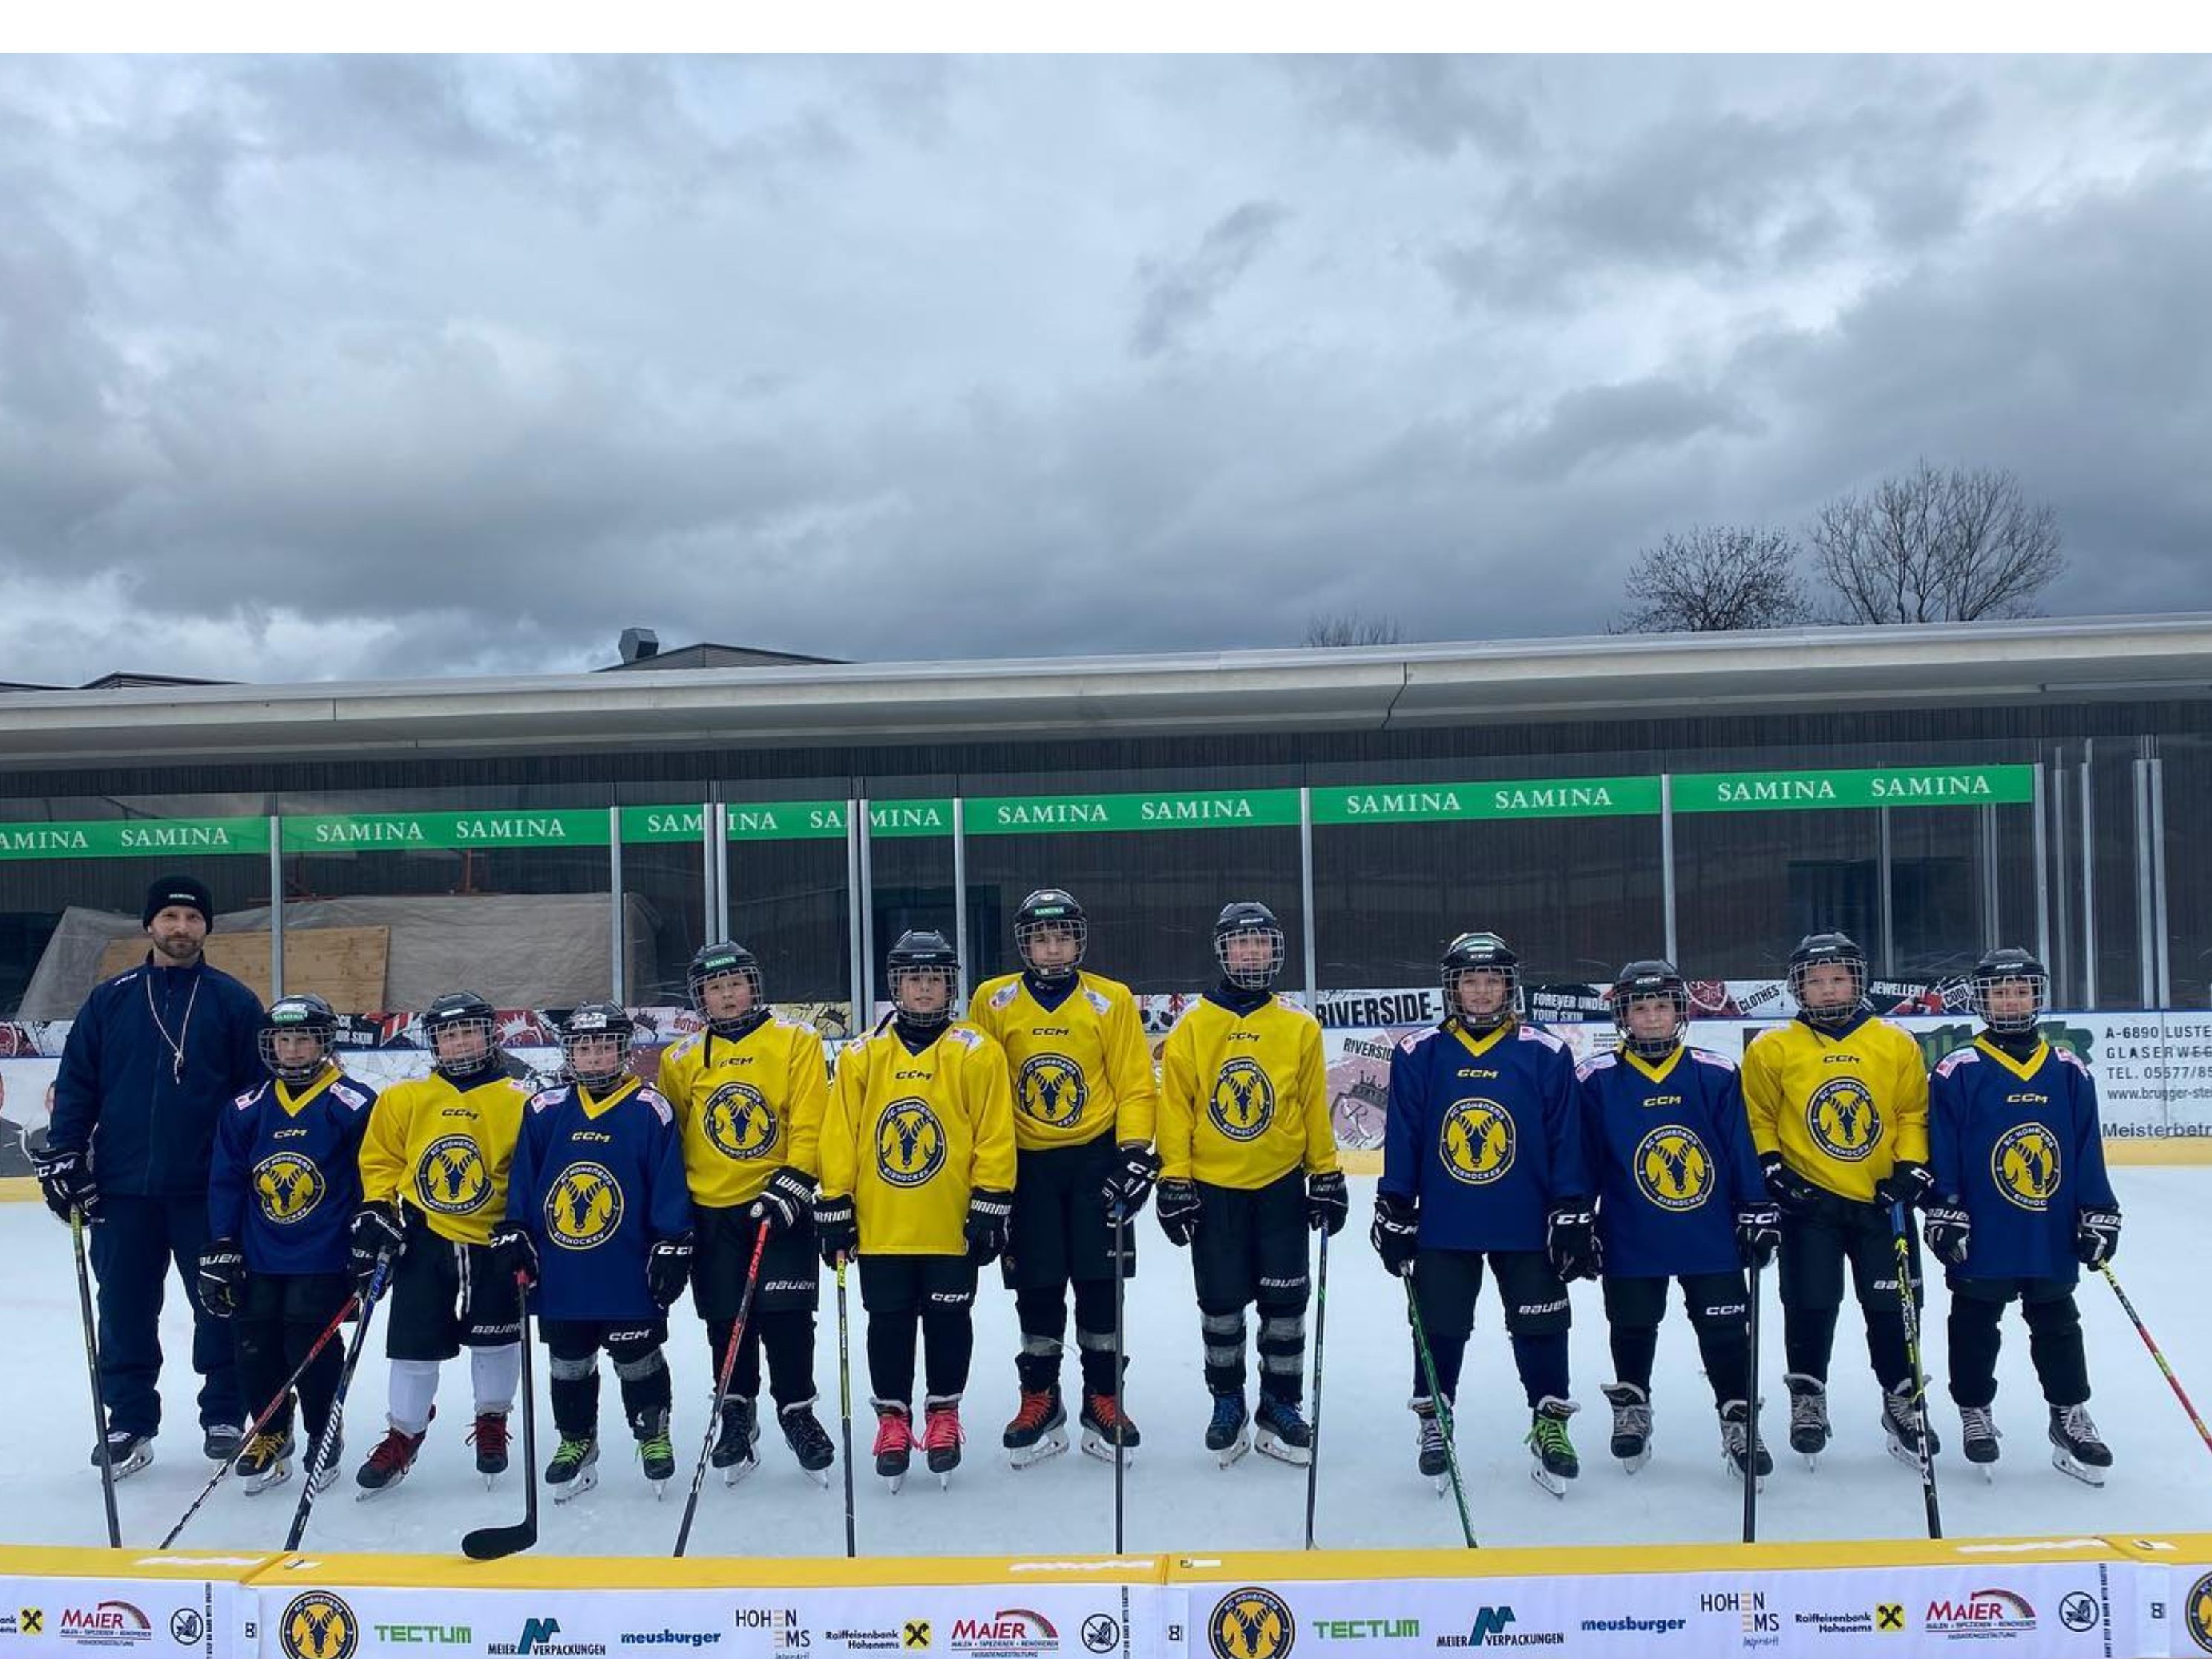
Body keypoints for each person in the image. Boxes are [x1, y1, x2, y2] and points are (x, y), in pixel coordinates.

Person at [38, 874, 263, 1475]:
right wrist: (65, 1156)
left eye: (192, 918)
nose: (180, 928)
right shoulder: (110, 999)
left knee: (220, 1301)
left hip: (206, 1190)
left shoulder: (233, 1001)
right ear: (149, 925)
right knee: (125, 1308)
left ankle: (224, 1413)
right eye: (169, 917)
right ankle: (130, 1421)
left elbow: (254, 1099)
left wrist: (247, 1174)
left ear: (206, 927)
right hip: (122, 1188)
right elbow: (79, 1087)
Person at [1368, 931, 1591, 1496]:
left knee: (1542, 1321)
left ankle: (1549, 1419)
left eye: (1492, 979)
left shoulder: (1546, 1051)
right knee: (1440, 1322)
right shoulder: (1421, 1051)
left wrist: (1571, 1207)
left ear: (1509, 985)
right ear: (1453, 987)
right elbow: (1407, 1133)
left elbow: (1567, 1135)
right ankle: (1435, 1420)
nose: (1483, 990)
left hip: (1527, 1220)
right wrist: (1395, 1202)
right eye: (1471, 980)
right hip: (1446, 1219)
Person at [815, 930, 1015, 1491]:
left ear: (950, 985)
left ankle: (944, 1413)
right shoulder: (862, 1054)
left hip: (951, 1220)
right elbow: (841, 1134)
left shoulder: (976, 1050)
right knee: (889, 1322)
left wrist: (991, 1198)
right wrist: (835, 1201)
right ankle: (893, 1420)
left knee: (951, 1320)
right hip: (883, 1224)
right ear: (895, 985)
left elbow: (994, 1132)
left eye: (934, 978)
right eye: (913, 978)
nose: (924, 988)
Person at [966, 889, 1158, 1466]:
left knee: (1101, 1286)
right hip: (1029, 1168)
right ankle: (1039, 1397)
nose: (1052, 947)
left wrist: (1133, 1155)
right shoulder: (992, 1000)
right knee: (1038, 1287)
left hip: (1096, 1161)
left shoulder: (1110, 999)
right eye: (1041, 937)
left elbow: (1134, 1082)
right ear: (1025, 943)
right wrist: (986, 1177)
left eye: (1062, 936)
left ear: (1079, 939)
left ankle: (1103, 1395)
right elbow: (978, 1086)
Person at [1156, 901, 1344, 1468]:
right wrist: (1174, 1178)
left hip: (1280, 1186)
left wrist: (1327, 1170)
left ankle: (1280, 1403)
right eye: (1242, 943)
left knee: (1285, 1302)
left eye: (1261, 942)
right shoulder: (1193, 1026)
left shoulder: (1298, 1026)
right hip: (1215, 1191)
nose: (1252, 952)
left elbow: (1313, 1104)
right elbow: (1177, 1108)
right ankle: (1228, 1400)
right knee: (1221, 1304)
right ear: (1224, 951)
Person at [1741, 931, 1937, 1468]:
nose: (1828, 990)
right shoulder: (1772, 1047)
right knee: (1809, 1303)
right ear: (1799, 987)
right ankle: (1808, 1395)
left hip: (1881, 1204)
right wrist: (1772, 1168)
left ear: (1857, 980)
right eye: (1816, 980)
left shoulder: (1894, 1041)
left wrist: (1911, 1167)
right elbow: (1757, 1116)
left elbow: (1910, 1114)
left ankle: (1902, 1395)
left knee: (1893, 1306)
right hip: (1809, 1206)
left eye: (1838, 978)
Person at [1577, 961, 1778, 1481]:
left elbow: (1739, 1148)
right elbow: (1583, 1157)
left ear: (1678, 1012)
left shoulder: (1715, 1072)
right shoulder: (1596, 1079)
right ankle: (1633, 1403)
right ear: (1623, 1016)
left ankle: (1737, 1415)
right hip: (1630, 1230)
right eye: (1640, 1008)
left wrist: (1754, 1207)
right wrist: (1575, 1213)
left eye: (1661, 1007)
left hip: (1708, 1233)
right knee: (1632, 1322)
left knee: (1727, 1330)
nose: (1651, 1018)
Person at [1925, 949, 2119, 1485]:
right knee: (1974, 1320)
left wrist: (2099, 1210)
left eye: (2020, 990)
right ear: (1982, 999)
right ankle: (1974, 1409)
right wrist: (1946, 1206)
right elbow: (1942, 1144)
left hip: (2048, 1223)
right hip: (1985, 1225)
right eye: (1999, 991)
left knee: (2057, 1318)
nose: (2011, 1000)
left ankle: (2068, 1412)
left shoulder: (2068, 1068)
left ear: (2037, 995)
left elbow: (2084, 1148)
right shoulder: (1957, 1068)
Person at [655, 941, 837, 1485]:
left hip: (779, 1204)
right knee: (725, 1319)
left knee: (786, 1317)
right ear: (701, 997)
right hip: (713, 1212)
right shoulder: (681, 1059)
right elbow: (677, 1137)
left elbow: (811, 1116)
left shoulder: (796, 1041)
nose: (728, 994)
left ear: (754, 986)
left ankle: (797, 1409)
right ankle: (736, 1408)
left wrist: (796, 1179)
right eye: (715, 987)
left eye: (736, 983)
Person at [503, 1003, 693, 1499]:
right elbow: (524, 1178)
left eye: (604, 1045)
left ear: (623, 1049)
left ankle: (652, 1433)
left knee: (637, 1355)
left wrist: (673, 1240)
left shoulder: (651, 1108)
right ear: (569, 1052)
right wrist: (517, 1229)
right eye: (583, 1047)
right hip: (563, 1268)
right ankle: (575, 1437)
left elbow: (668, 1180)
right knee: (568, 1358)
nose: (593, 1056)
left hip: (627, 1265)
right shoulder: (544, 1109)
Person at [350, 990, 532, 1495]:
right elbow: (381, 1159)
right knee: (412, 1343)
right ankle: (404, 1432)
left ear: (490, 1034)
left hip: (492, 1238)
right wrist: (377, 1207)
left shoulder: (519, 1099)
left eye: (467, 1031)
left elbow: (529, 1170)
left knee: (496, 1337)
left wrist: (522, 1224)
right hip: (423, 1236)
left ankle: (492, 1419)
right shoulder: (403, 1097)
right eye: (446, 1035)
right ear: (434, 1043)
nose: (457, 1042)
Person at [200, 994, 378, 1492]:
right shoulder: (246, 1107)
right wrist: (221, 1243)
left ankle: (324, 1431)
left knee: (309, 1343)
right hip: (260, 1253)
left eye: (304, 1038)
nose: (293, 1048)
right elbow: (228, 1180)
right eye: (284, 1038)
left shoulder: (354, 1102)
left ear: (324, 1042)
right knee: (253, 1344)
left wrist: (370, 1232)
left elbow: (374, 1176)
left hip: (324, 1254)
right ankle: (271, 1431)